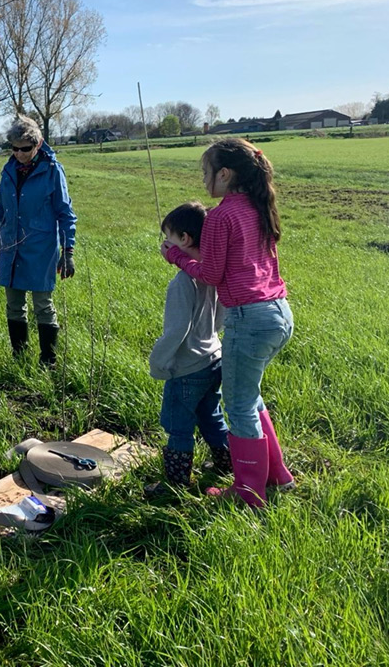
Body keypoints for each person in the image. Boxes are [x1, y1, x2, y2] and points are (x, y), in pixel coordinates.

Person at [162, 138, 295, 507]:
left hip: (249, 318)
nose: (204, 181)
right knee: (250, 398)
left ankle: (249, 492)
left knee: (237, 407)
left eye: (206, 173)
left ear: (225, 173)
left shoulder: (222, 215)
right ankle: (277, 476)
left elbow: (210, 273)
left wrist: (176, 255)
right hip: (279, 313)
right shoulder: (258, 206)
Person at [146, 202, 230, 495]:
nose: (164, 243)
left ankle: (176, 485)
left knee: (178, 426)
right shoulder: (210, 275)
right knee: (211, 415)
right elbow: (220, 317)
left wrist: (158, 362)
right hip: (213, 360)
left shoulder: (182, 282)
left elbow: (176, 331)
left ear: (184, 239)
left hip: (186, 370)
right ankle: (226, 464)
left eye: (168, 236)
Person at [0, 114, 77, 367]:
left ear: (37, 144)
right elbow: (0, 210)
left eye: (25, 149)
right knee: (14, 304)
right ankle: (20, 357)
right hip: (10, 246)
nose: (19, 154)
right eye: (14, 149)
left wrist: (68, 251)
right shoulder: (8, 171)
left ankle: (48, 360)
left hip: (41, 248)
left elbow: (65, 213)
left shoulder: (52, 171)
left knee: (42, 305)